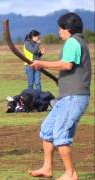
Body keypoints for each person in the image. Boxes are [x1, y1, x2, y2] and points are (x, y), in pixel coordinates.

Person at [28, 12, 91, 180]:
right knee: (47, 130)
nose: (59, 32)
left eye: (60, 28)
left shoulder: (72, 42)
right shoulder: (77, 42)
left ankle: (70, 174)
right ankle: (47, 168)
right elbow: (71, 69)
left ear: (68, 29)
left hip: (74, 97)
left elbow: (67, 65)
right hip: (67, 97)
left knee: (61, 134)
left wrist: (42, 63)